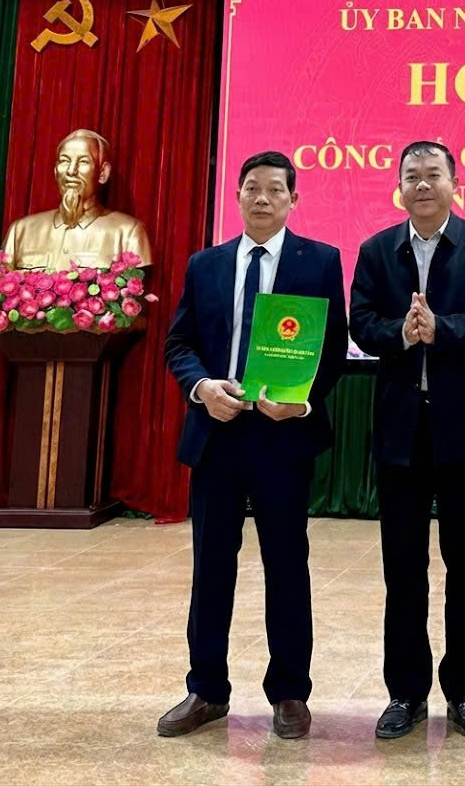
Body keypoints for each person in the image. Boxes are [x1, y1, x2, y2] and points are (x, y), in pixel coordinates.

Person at [159, 151, 347, 740]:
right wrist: (201, 388)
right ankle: (206, 690)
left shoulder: (320, 261)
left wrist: (302, 401)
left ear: (293, 200)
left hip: (282, 437)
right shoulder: (206, 264)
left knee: (286, 565)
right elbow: (179, 344)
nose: (262, 198)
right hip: (218, 433)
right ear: (237, 196)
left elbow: (332, 352)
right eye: (252, 188)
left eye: (275, 190)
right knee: (211, 566)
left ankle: (290, 692)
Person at [349, 140, 465, 740]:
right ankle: (405, 693)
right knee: (403, 569)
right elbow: (360, 323)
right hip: (401, 432)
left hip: (464, 430)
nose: (422, 184)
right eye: (412, 176)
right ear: (399, 186)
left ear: (454, 184)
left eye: (433, 174)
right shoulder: (376, 250)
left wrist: (441, 329)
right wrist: (400, 332)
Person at [2, 128, 152, 270]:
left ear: (103, 173)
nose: (71, 171)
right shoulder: (20, 231)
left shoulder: (128, 233)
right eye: (64, 161)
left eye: (83, 161)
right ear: (55, 171)